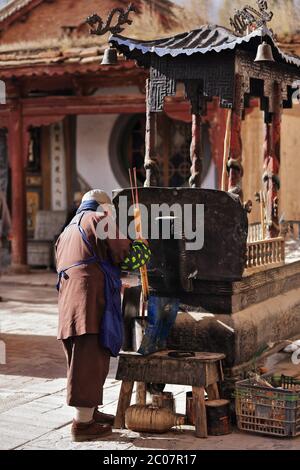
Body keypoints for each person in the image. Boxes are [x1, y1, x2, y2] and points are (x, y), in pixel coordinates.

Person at [55, 189, 151, 442]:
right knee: (89, 359)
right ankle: (82, 425)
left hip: (70, 300)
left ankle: (90, 414)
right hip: (90, 298)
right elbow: (128, 259)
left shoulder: (68, 229)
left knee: (81, 356)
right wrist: (142, 245)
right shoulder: (100, 220)